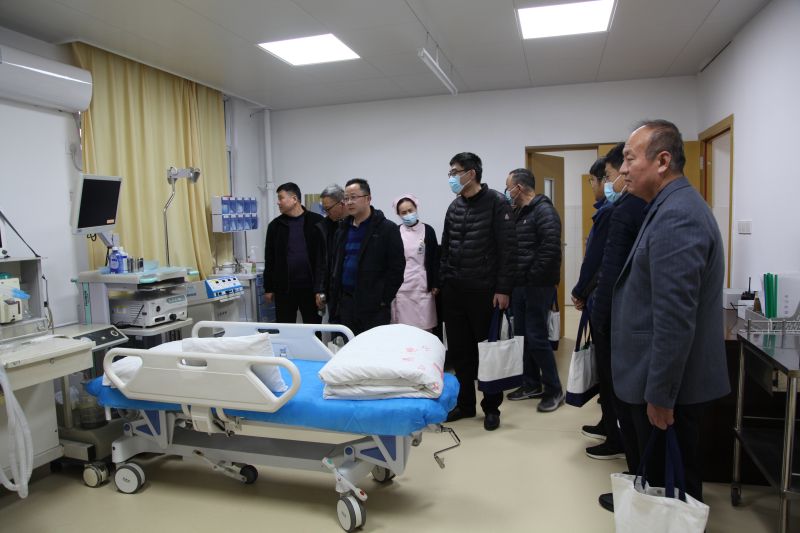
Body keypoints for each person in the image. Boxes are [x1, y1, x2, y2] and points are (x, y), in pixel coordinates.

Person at [610, 120, 729, 508]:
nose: (623, 169)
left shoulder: (679, 215)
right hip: (655, 379)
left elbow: (674, 317)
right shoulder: (665, 206)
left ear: (662, 161)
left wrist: (661, 396)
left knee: (672, 490)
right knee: (659, 483)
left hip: (667, 389)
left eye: (630, 158)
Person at [440, 152, 516, 431]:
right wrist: (444, 281)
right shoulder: (454, 206)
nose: (451, 177)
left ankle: (491, 407)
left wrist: (503, 288)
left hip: (485, 291)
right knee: (460, 352)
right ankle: (465, 404)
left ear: (471, 174)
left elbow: (508, 249)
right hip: (455, 290)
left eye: (455, 172)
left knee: (488, 351)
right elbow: (446, 248)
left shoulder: (497, 203)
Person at [577, 149, 629, 461]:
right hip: (599, 298)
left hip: (605, 302)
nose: (601, 185)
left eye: (605, 178)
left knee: (610, 375)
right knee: (605, 372)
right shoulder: (609, 210)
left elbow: (600, 262)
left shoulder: (614, 211)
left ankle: (615, 434)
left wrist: (580, 290)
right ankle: (608, 424)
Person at [503, 168, 564, 413]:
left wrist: (531, 276)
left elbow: (550, 250)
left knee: (537, 337)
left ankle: (554, 389)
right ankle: (531, 383)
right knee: (522, 336)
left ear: (518, 188)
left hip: (537, 285)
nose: (507, 192)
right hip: (520, 285)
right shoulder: (519, 212)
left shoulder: (544, 211)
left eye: (508, 187)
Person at [328, 178, 405, 336]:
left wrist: (384, 299)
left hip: (374, 306)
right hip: (346, 303)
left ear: (368, 198)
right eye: (346, 198)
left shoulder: (386, 229)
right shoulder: (342, 230)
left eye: (354, 197)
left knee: (373, 348)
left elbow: (397, 268)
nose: (349, 202)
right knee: (347, 347)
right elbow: (335, 264)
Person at [263, 182, 325, 324]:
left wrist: (322, 289)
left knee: (313, 329)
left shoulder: (317, 222)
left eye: (281, 198)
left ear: (294, 199)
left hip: (311, 289)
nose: (278, 202)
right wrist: (268, 288)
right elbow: (270, 258)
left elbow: (323, 258)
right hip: (284, 289)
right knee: (285, 328)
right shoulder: (275, 226)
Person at [391, 194, 439, 331]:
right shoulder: (395, 232)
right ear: (398, 214)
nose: (408, 214)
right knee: (403, 328)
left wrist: (435, 283)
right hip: (402, 287)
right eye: (403, 212)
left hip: (422, 285)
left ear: (416, 208)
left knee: (425, 327)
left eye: (410, 210)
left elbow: (435, 258)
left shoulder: (428, 230)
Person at [315, 184, 346, 310]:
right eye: (324, 209)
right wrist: (320, 289)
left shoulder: (356, 225)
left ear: (342, 203)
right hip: (333, 290)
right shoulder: (324, 227)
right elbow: (321, 262)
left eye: (328, 208)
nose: (326, 213)